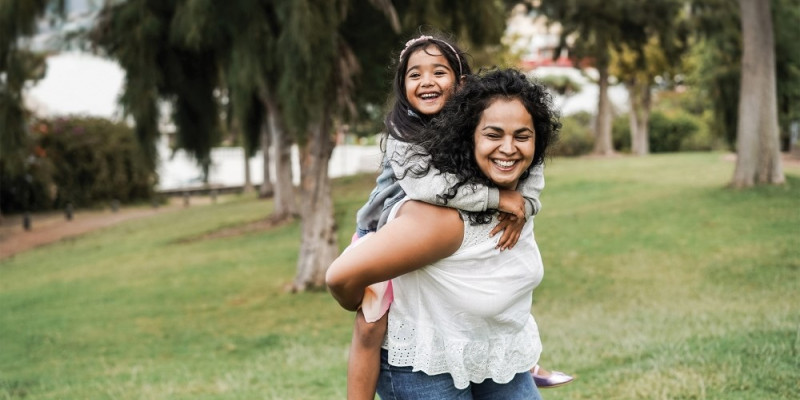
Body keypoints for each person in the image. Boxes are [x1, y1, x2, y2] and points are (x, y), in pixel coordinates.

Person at [345, 34, 570, 399]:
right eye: (414, 75)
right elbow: (427, 188)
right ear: (402, 86)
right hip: (382, 225)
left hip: (482, 331)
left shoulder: (479, 122)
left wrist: (525, 204)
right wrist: (497, 197)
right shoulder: (404, 133)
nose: (427, 81)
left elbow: (533, 163)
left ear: (461, 82)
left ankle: (523, 360)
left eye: (439, 71)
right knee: (370, 326)